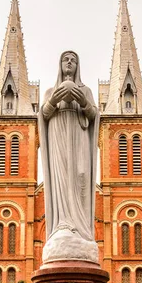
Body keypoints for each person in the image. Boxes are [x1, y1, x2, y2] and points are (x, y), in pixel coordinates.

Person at [38, 51, 99, 255]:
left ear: (78, 65)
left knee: (81, 176)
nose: (70, 62)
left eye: (74, 60)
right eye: (66, 59)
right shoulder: (50, 91)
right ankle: (62, 223)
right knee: (61, 180)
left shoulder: (86, 91)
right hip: (59, 140)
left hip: (79, 139)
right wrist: (53, 101)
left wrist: (83, 102)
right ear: (60, 64)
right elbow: (43, 116)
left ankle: (81, 230)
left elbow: (94, 115)